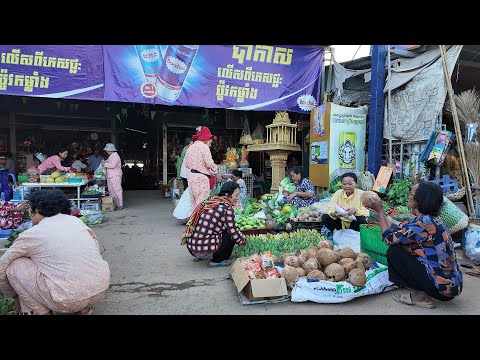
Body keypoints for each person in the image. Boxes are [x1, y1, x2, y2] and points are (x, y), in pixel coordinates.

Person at [0, 189, 110, 315]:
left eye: (30, 208)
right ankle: (83, 308)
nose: (29, 212)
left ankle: (41, 312)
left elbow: (2, 266)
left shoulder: (33, 233)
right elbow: (95, 249)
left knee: (14, 267)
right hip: (99, 289)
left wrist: (10, 294)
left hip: (67, 300)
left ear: (37, 210)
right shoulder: (76, 221)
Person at [366, 181, 463, 309]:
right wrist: (382, 214)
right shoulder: (431, 219)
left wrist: (379, 212)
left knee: (395, 251)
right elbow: (399, 230)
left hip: (442, 288)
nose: (409, 197)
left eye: (411, 194)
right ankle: (421, 286)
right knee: (402, 247)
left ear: (419, 200)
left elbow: (389, 239)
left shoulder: (424, 222)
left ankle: (421, 297)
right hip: (452, 285)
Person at [181, 181, 246, 268]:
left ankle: (205, 255)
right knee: (229, 234)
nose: (237, 198)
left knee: (223, 230)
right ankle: (217, 260)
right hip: (203, 251)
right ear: (227, 195)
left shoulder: (212, 201)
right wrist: (245, 241)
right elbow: (234, 232)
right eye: (236, 195)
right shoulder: (226, 208)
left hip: (193, 249)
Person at [184, 127, 221, 208]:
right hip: (201, 179)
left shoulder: (190, 147)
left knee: (194, 205)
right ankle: (200, 220)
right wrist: (217, 171)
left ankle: (194, 220)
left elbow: (186, 164)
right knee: (202, 204)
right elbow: (209, 163)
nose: (210, 144)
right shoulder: (204, 147)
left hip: (191, 178)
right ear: (206, 138)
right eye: (210, 141)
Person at [101, 143, 124, 210]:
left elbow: (112, 165)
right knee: (111, 190)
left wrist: (104, 163)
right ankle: (114, 204)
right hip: (111, 175)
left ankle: (120, 204)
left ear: (110, 150)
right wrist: (104, 162)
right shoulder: (111, 156)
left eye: (107, 150)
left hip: (115, 175)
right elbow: (107, 162)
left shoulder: (115, 156)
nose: (106, 152)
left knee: (117, 189)